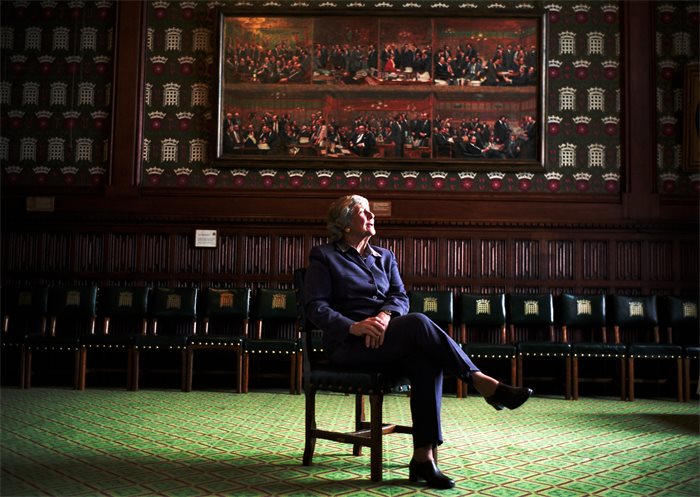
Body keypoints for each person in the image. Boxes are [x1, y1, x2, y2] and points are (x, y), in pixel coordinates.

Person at [303, 195, 532, 490]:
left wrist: (385, 317)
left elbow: (400, 298)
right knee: (420, 323)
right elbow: (316, 308)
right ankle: (479, 381)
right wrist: (356, 327)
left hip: (385, 340)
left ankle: (423, 458)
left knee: (426, 358)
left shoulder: (384, 256)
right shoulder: (324, 256)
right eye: (363, 211)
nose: (372, 215)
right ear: (345, 223)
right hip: (349, 346)